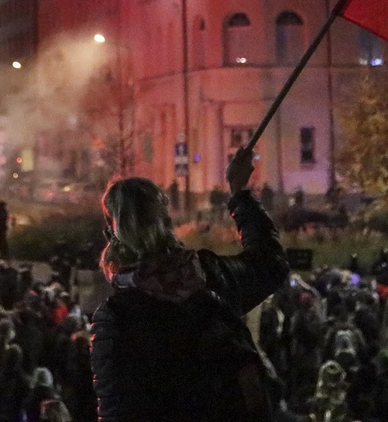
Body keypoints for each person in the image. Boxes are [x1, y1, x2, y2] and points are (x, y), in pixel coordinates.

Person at [90, 147, 288, 422]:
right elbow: (271, 263)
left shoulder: (117, 317)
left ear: (112, 233)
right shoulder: (210, 274)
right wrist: (239, 193)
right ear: (167, 222)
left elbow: (118, 413)